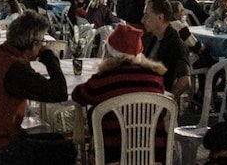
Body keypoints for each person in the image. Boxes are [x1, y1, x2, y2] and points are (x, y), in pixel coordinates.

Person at [0, 11, 76, 165]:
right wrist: (49, 57)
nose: (43, 45)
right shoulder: (15, 68)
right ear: (34, 44)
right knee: (67, 150)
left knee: (56, 139)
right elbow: (59, 93)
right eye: (42, 41)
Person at [72, 25, 168, 164]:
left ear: (109, 52)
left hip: (113, 157)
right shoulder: (155, 78)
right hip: (154, 156)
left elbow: (78, 95)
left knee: (93, 113)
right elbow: (162, 111)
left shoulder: (103, 80)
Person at [141, 0, 192, 99]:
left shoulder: (175, 44)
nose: (142, 20)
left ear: (160, 17)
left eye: (147, 16)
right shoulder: (152, 38)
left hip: (155, 99)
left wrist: (166, 102)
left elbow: (185, 81)